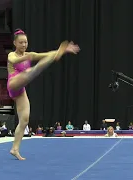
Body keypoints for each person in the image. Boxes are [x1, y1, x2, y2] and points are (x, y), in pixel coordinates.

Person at [8, 28, 80, 160]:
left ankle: (15, 148)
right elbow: (13, 60)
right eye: (21, 43)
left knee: (24, 120)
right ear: (15, 43)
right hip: (13, 83)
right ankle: (41, 66)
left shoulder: (30, 54)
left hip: (21, 90)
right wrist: (26, 57)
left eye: (26, 42)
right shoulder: (12, 55)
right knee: (33, 71)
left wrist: (62, 51)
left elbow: (47, 54)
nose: (24, 45)